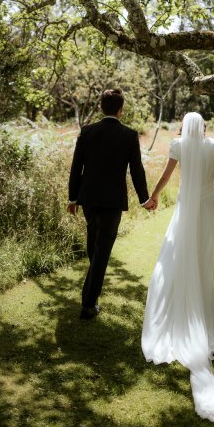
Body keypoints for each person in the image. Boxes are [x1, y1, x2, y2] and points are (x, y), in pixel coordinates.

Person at [141, 112, 214, 422]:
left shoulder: (178, 145)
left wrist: (152, 197)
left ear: (184, 127)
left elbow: (168, 176)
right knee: (203, 259)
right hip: (209, 206)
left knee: (178, 256)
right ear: (205, 128)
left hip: (186, 208)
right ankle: (203, 314)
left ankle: (185, 309)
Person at [67, 89, 156, 320]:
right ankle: (88, 304)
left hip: (88, 198)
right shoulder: (129, 135)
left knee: (95, 246)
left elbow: (77, 168)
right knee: (101, 251)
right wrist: (144, 198)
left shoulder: (87, 132)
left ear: (101, 107)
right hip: (112, 201)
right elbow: (136, 169)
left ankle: (91, 296)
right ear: (121, 109)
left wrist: (73, 198)